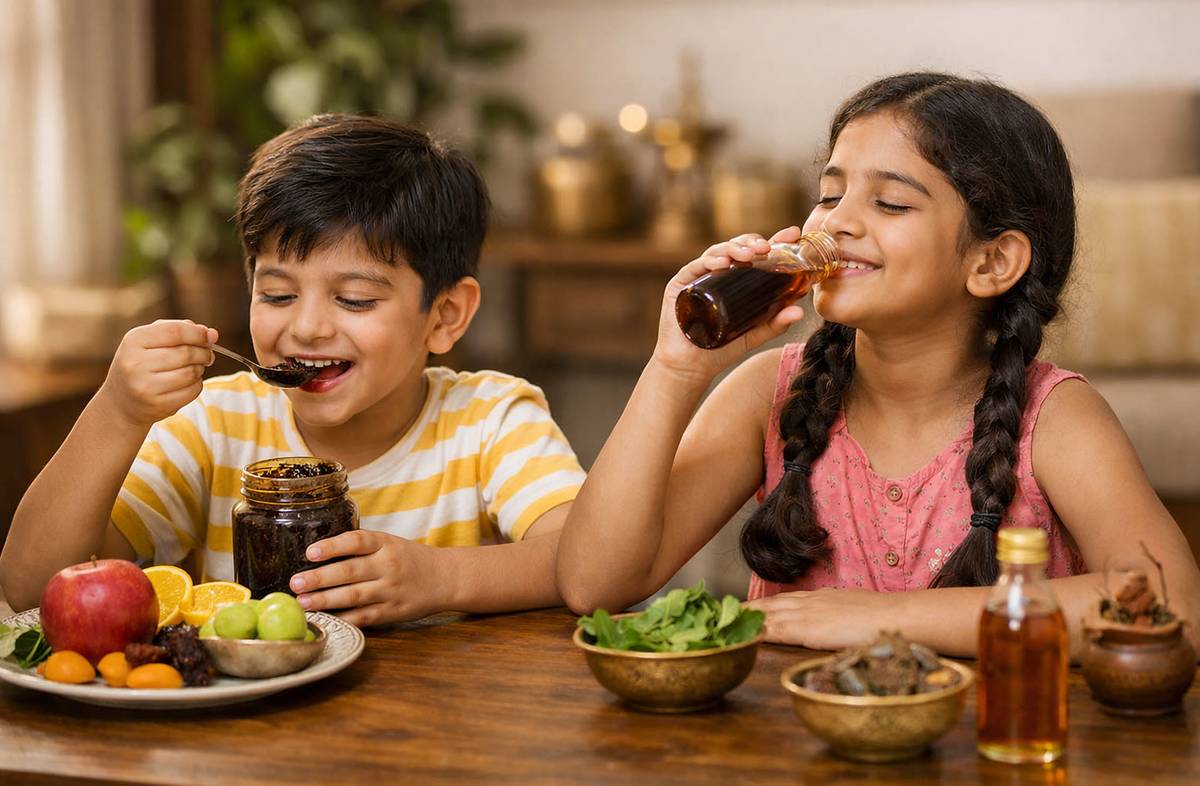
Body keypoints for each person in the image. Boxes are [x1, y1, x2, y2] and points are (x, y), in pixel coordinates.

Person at [556, 72, 1200, 658]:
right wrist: (675, 370)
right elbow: (594, 583)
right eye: (828, 194)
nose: (836, 224)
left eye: (890, 204)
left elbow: (1173, 607)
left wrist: (887, 618)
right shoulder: (769, 392)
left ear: (991, 262)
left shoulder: (1053, 418)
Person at [1, 115, 586, 626]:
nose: (305, 329)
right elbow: (34, 587)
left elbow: (584, 556)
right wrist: (116, 413)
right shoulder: (211, 424)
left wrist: (441, 578)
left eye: (354, 300)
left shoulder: (489, 420)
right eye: (277, 295)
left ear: (445, 315)